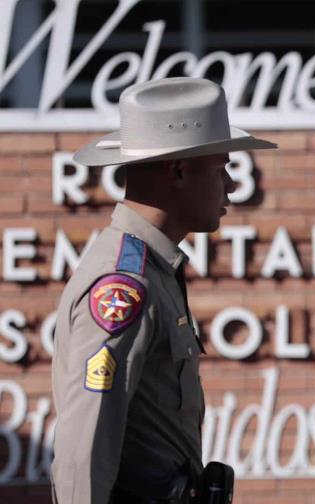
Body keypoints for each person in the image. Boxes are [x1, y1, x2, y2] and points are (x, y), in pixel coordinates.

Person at [51, 77, 276, 503]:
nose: (230, 185)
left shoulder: (154, 267)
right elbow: (85, 445)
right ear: (178, 170)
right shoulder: (124, 284)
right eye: (220, 168)